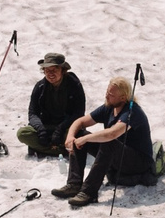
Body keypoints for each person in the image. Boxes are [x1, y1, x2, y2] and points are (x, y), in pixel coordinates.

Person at [52, 75, 154, 207]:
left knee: (108, 142)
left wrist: (86, 139)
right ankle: (74, 184)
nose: (106, 96)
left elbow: (112, 133)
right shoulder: (109, 107)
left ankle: (88, 192)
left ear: (123, 98)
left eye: (111, 95)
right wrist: (71, 136)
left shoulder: (132, 112)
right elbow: (80, 121)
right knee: (80, 133)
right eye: (107, 92)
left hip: (138, 162)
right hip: (117, 155)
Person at [17, 51, 88, 158]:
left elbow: (78, 113)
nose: (50, 73)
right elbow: (33, 113)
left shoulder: (74, 85)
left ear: (63, 70)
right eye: (47, 70)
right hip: (46, 126)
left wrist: (60, 129)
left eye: (54, 70)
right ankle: (62, 150)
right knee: (22, 134)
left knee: (78, 135)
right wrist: (40, 130)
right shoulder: (40, 86)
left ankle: (44, 149)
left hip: (66, 127)